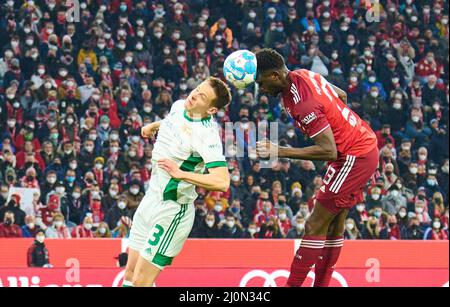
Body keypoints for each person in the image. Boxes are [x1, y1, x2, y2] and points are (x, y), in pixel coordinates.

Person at [255, 49, 379, 287]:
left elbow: (328, 151)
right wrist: (339, 124)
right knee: (333, 224)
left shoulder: (302, 103)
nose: (261, 89)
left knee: (314, 224)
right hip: (359, 148)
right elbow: (340, 95)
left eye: (261, 83)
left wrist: (278, 150)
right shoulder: (304, 74)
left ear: (273, 76)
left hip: (353, 156)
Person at [124, 77, 232, 287]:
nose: (194, 95)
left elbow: (222, 181)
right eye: (197, 89)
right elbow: (174, 121)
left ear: (211, 110)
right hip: (150, 200)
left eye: (202, 96)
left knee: (140, 283)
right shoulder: (180, 105)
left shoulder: (207, 136)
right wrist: (153, 126)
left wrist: (181, 174)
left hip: (172, 210)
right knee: (129, 275)